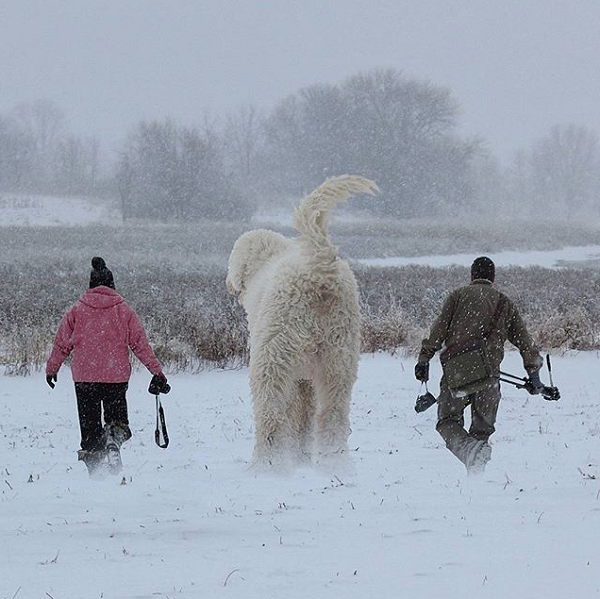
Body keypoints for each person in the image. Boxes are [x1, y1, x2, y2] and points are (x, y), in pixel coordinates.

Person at [414, 256, 543, 474]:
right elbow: (525, 343)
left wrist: (424, 358)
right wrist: (534, 376)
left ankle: (469, 458)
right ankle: (476, 478)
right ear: (492, 277)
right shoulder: (505, 303)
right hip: (490, 379)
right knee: (482, 432)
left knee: (447, 422)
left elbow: (438, 331)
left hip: (458, 375)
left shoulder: (458, 296)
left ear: (472, 275)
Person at [46, 257, 167, 477]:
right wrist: (156, 372)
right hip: (115, 377)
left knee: (90, 425)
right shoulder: (124, 310)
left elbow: (61, 342)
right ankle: (114, 438)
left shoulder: (77, 311)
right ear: (112, 285)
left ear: (91, 285)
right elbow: (140, 344)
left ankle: (96, 471)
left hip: (85, 378)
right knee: (117, 419)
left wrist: (52, 369)